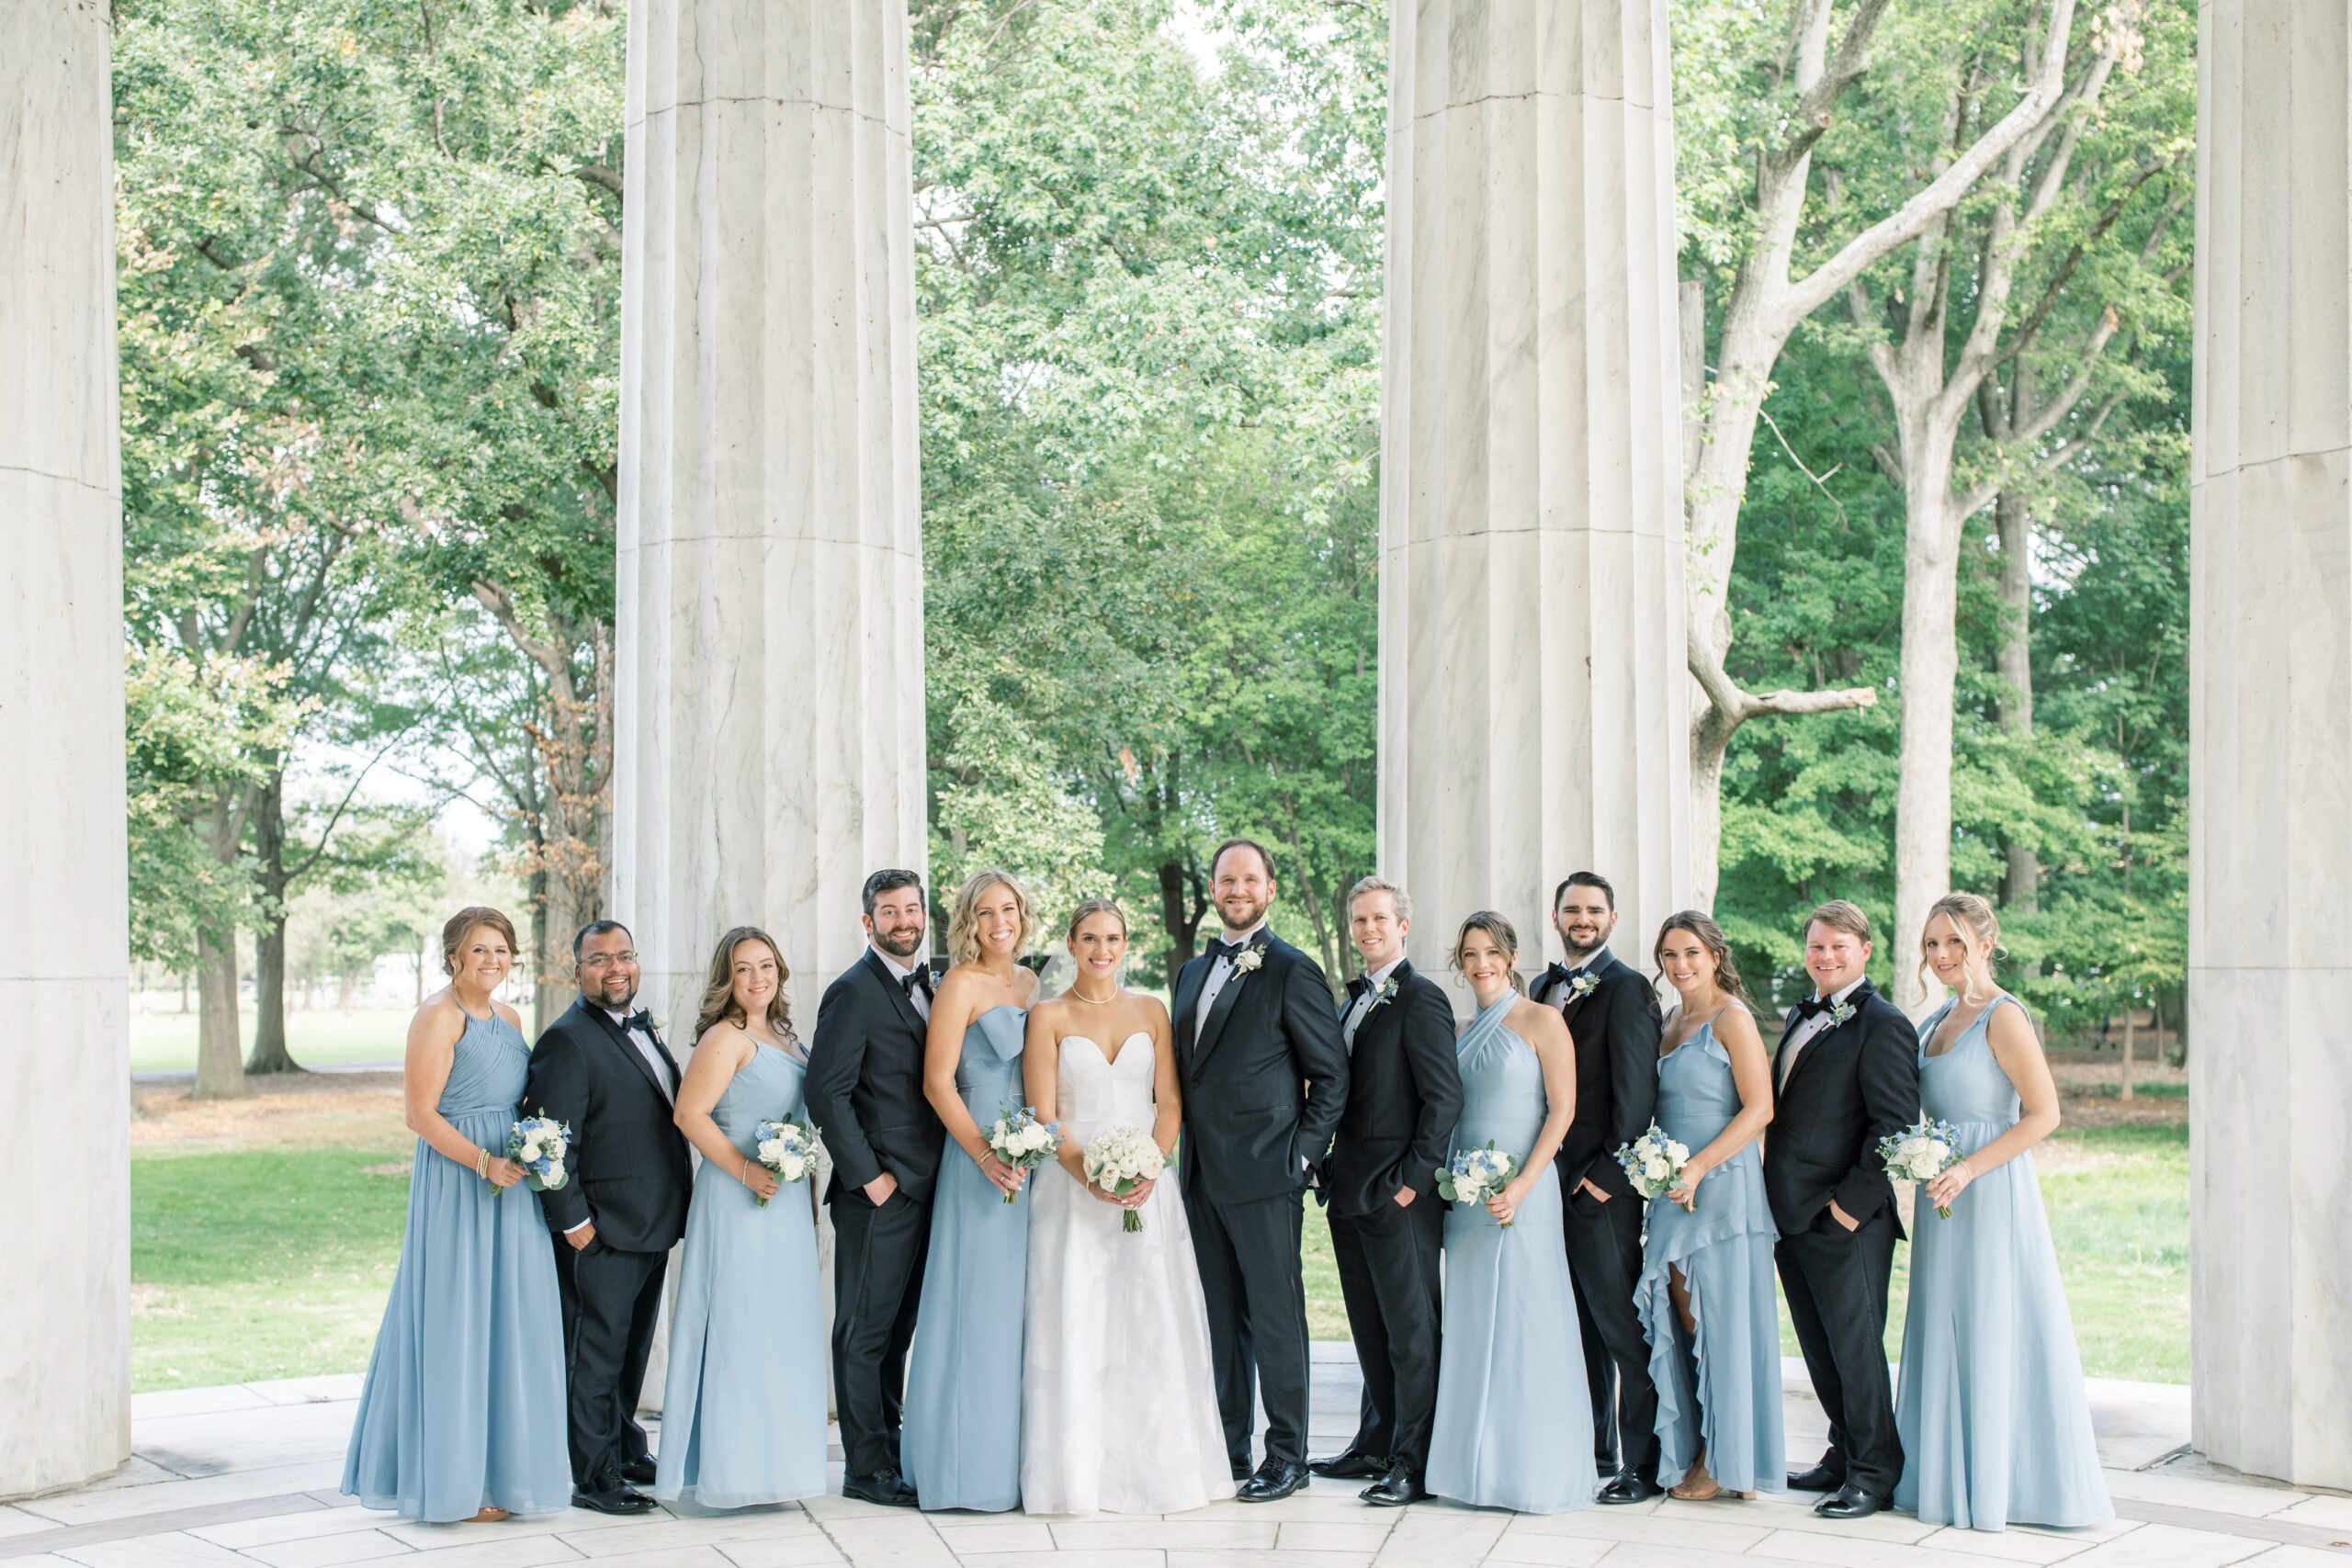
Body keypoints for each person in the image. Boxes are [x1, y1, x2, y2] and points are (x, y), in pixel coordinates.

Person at [342, 906, 571, 1523]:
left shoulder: (511, 1016)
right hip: (459, 1181)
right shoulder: (437, 1016)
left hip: (512, 1182)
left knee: (510, 1320)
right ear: (453, 957)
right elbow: (419, 1113)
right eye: (479, 950)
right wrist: (480, 1161)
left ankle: (503, 1472)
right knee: (457, 1317)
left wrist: (532, 1145)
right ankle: (452, 1479)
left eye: (501, 950)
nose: (492, 960)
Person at [1895, 894, 2111, 1531]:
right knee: (1948, 1321)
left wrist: (1969, 1166)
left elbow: (2044, 1114)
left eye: (1954, 943)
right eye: (1932, 944)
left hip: (1989, 1191)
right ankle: (1945, 1475)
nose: (1940, 956)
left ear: (1986, 944)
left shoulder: (2003, 1015)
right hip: (1943, 1197)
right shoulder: (1934, 1020)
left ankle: (2006, 1485)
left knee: (1995, 1322)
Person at [1020, 899, 1233, 1515]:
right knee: (1078, 1317)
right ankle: (1078, 1474)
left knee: (1149, 1318)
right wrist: (1089, 1174)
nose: (1101, 949)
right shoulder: (1049, 1015)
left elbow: (1168, 1102)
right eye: (1089, 937)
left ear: (1125, 942)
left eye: (1112, 937)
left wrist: (1150, 1166)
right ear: (1070, 941)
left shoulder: (1150, 1010)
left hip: (1146, 1186)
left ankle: (1164, 1469)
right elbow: (1043, 1115)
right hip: (1072, 1189)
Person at [1170, 838, 1350, 1502]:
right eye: (1226, 879)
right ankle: (1229, 1444)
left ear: (1270, 888)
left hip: (1267, 1172)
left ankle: (1288, 1453)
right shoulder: (1191, 972)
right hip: (1201, 1176)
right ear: (1213, 889)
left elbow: (1331, 1076)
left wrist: (1300, 1155)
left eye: (1250, 878)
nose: (1237, 888)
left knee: (1276, 1317)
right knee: (1222, 1316)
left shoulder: (1292, 970)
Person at [1425, 912, 1599, 1515]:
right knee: (1474, 1324)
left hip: (1524, 1192)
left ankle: (1531, 1470)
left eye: (1491, 951)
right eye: (1469, 952)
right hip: (1467, 1199)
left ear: (1512, 954)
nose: (1480, 963)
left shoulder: (1542, 1019)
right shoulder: (1457, 1028)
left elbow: (1562, 1110)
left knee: (1527, 1319)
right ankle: (1473, 1469)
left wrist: (1521, 1186)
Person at [651, 927, 827, 1508]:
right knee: (740, 1327)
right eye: (745, 969)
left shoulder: (785, 1035)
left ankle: (778, 1466)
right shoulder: (725, 1038)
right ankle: (732, 1470)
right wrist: (746, 1171)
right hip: (737, 1199)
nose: (758, 978)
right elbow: (690, 1115)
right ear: (728, 979)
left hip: (785, 1205)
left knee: (781, 1330)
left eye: (767, 966)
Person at [523, 919, 693, 1516]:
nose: (615, 967)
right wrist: (573, 1221)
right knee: (594, 1355)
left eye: (624, 955)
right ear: (578, 970)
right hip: (601, 1230)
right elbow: (546, 1140)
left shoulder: (639, 1027)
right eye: (600, 959)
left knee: (629, 1353)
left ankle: (624, 1448)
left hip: (651, 1223)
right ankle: (593, 1476)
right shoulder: (567, 1040)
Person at [1764, 900, 1920, 1521]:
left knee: (1855, 1349)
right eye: (1817, 946)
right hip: (1792, 1215)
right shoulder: (1805, 1017)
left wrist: (1848, 1210)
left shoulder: (1883, 1023)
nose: (1825, 956)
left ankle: (1875, 1471)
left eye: (1837, 946)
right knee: (1820, 1348)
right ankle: (1842, 1450)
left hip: (1845, 1220)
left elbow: (1895, 1126)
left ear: (1865, 950)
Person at [1309, 876, 1462, 1507]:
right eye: (1359, 919)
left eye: (1379, 919)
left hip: (1397, 1194)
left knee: (1411, 1331)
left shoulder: (1421, 997)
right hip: (1347, 1192)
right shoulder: (1355, 1002)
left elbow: (1443, 1098)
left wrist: (1411, 1183)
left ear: (1403, 925)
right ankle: (1375, 1439)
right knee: (1369, 1328)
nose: (1367, 929)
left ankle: (1414, 1462)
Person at [803, 869, 946, 1508]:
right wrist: (873, 1178)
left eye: (911, 908)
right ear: (868, 922)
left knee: (897, 1331)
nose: (903, 920)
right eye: (889, 912)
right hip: (879, 1196)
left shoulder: (935, 984)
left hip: (931, 1188)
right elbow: (825, 1093)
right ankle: (864, 1468)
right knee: (863, 1331)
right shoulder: (851, 992)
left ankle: (888, 1453)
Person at [902, 871, 1043, 1513]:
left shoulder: (1032, 982)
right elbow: (938, 1083)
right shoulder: (957, 984)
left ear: (1022, 914)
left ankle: (1012, 1464)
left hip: (1028, 1158)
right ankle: (960, 1469)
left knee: (1016, 1314)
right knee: (973, 1308)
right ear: (968, 922)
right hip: (975, 1157)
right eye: (984, 913)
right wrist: (985, 1154)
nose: (998, 922)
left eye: (1007, 909)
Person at [1636, 913, 1783, 1502]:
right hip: (1673, 1186)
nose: (1681, 965)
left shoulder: (1733, 1018)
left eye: (1692, 953)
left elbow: (1759, 1108)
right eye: (1670, 955)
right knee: (1686, 1319)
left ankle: (1726, 1460)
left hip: (1720, 1182)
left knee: (1716, 1319)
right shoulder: (1671, 1019)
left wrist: (1699, 1166)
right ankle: (1723, 1451)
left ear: (1715, 955)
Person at [1528, 872, 1665, 1503]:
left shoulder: (1629, 989)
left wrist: (1605, 1180)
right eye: (1571, 909)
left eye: (1593, 910)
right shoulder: (1538, 987)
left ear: (1612, 918)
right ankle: (1596, 1446)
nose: (1582, 918)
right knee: (1574, 1325)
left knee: (1621, 1326)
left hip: (1597, 1189)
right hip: (1544, 1190)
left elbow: (1636, 1098)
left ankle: (1642, 1462)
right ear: (1555, 916)